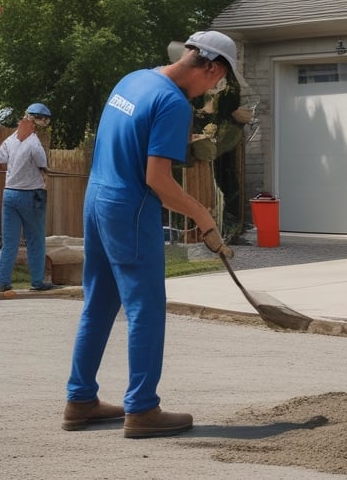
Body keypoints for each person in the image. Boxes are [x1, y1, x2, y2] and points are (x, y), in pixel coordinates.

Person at [62, 30, 238, 438]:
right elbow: (157, 179)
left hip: (98, 197)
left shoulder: (133, 79)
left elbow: (128, 139)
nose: (215, 88)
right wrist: (203, 216)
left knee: (100, 303)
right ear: (210, 67)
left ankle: (80, 400)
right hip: (130, 207)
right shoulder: (174, 104)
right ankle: (141, 409)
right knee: (146, 308)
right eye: (219, 80)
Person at [0, 103, 58, 292]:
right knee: (35, 240)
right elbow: (41, 163)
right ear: (40, 121)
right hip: (31, 195)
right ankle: (37, 282)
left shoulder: (10, 140)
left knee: (10, 242)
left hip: (9, 194)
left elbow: (0, 158)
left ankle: (2, 281)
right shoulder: (34, 143)